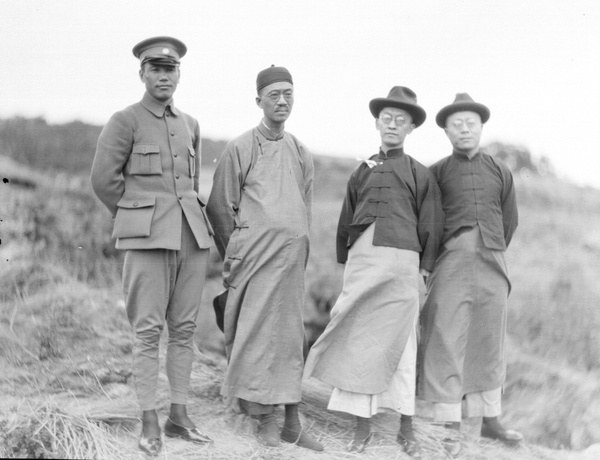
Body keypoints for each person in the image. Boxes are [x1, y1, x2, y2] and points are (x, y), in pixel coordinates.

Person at [303, 86, 444, 457]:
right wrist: (348, 264)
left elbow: (431, 223)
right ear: (376, 122)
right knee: (359, 342)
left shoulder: (420, 174)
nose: (393, 125)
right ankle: (360, 428)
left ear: (411, 127)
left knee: (402, 346)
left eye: (401, 120)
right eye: (387, 118)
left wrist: (425, 269)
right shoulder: (360, 170)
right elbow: (347, 219)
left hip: (402, 269)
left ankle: (406, 427)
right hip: (363, 265)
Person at [90, 36, 213, 456]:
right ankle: (148, 419)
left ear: (179, 74)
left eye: (171, 68)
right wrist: (135, 219)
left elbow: (191, 186)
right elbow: (103, 180)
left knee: (184, 329)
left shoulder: (191, 124)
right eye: (155, 68)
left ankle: (179, 415)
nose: (164, 75)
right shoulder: (124, 120)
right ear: (142, 73)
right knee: (147, 332)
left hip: (191, 237)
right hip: (147, 239)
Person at [206, 66, 323, 451]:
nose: (282, 101)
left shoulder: (301, 152)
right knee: (256, 336)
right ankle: (265, 419)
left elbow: (303, 207)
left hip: (290, 264)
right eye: (274, 95)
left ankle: (292, 420)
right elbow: (220, 208)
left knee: (290, 337)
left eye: (289, 93)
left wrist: (297, 243)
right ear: (258, 101)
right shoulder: (241, 147)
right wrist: (239, 251)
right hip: (252, 261)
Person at [417, 93, 522, 456]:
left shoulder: (500, 170)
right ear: (446, 131)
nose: (464, 129)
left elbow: (509, 221)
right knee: (445, 335)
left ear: (480, 127)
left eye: (470, 123)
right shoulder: (437, 172)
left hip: (492, 260)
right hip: (451, 262)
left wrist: (490, 246)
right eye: (456, 124)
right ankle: (447, 422)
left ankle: (489, 419)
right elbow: (428, 222)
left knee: (488, 340)